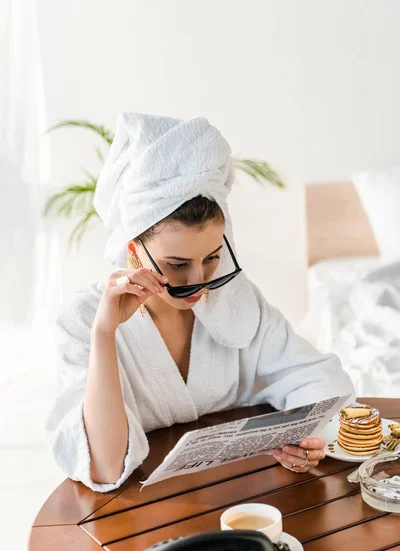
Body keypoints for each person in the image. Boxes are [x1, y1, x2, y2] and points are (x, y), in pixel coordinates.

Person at [45, 112, 354, 493]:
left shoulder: (236, 302)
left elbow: (321, 379)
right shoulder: (81, 321)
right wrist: (105, 334)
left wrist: (308, 438)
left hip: (246, 492)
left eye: (211, 259)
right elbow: (107, 466)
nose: (198, 285)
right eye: (177, 265)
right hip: (140, 511)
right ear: (134, 251)